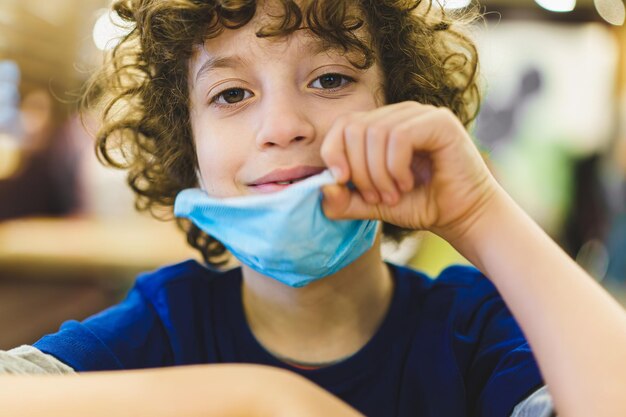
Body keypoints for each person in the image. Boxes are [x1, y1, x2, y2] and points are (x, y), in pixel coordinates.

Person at [2, 1, 626, 416]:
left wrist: (479, 213)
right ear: (186, 149)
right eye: (232, 93)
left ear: (400, 105)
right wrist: (261, 399)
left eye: (328, 79)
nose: (282, 125)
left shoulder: (471, 332)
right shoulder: (162, 324)